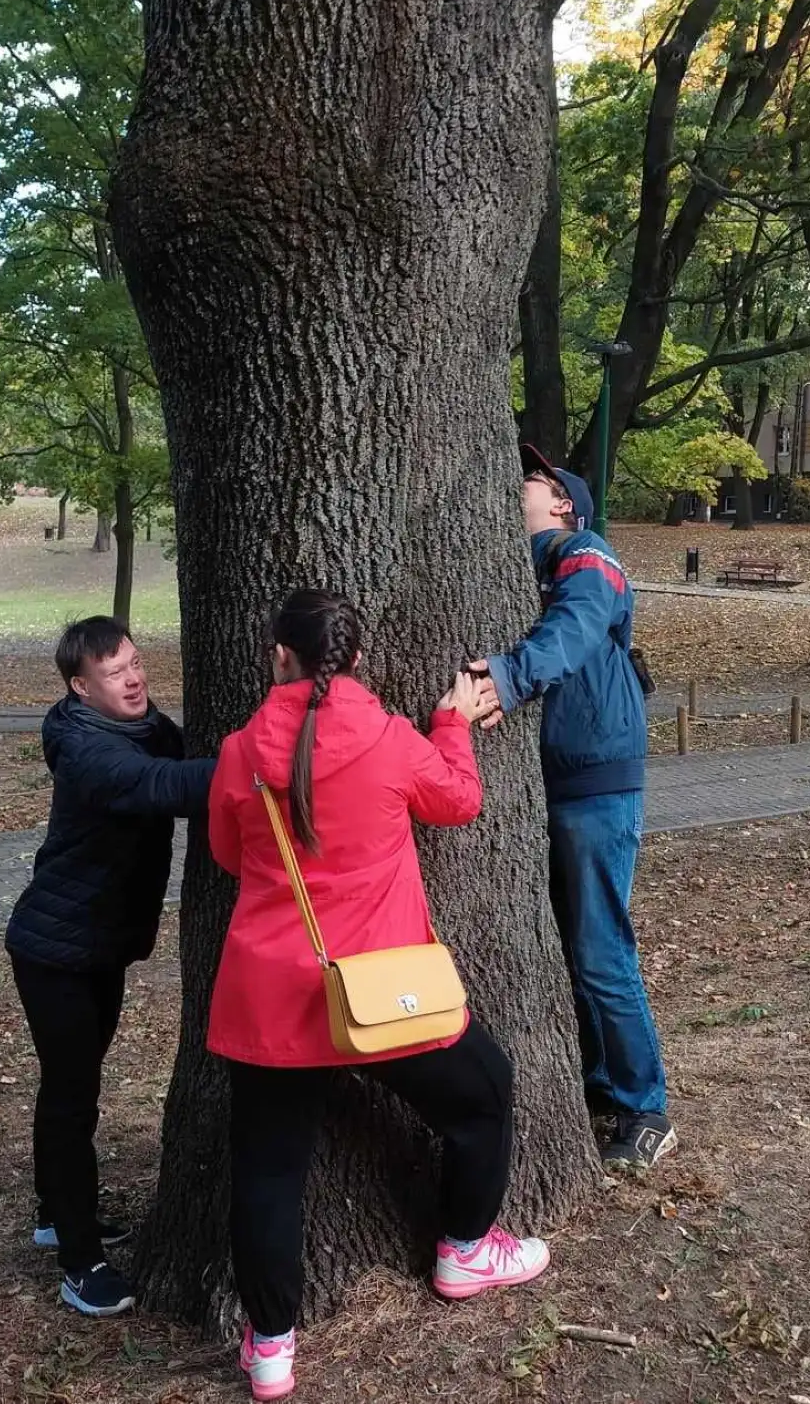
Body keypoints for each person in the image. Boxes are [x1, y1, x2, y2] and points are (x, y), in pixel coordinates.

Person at [207, 589, 550, 1403]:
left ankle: (272, 1348)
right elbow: (459, 801)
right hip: (386, 995)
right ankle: (464, 1248)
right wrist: (451, 722)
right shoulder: (391, 739)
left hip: (271, 995)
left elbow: (226, 851)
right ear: (357, 659)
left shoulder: (240, 751)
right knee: (485, 1091)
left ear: (279, 656)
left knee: (268, 1172)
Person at [471, 444, 673, 1172]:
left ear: (562, 503)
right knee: (568, 948)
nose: (519, 482)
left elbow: (578, 628)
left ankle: (646, 1107)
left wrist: (510, 675)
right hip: (555, 784)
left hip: (597, 783)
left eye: (532, 478)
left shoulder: (588, 555)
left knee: (600, 950)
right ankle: (597, 1083)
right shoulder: (524, 567)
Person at [4, 616, 214, 1318]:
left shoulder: (144, 726)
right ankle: (79, 1259)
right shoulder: (85, 749)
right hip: (55, 952)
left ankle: (54, 1210)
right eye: (114, 672)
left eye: (135, 662)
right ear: (79, 687)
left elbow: (178, 755)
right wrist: (270, 763)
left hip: (97, 946)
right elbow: (165, 786)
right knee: (72, 1095)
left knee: (73, 1085)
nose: (133, 679)